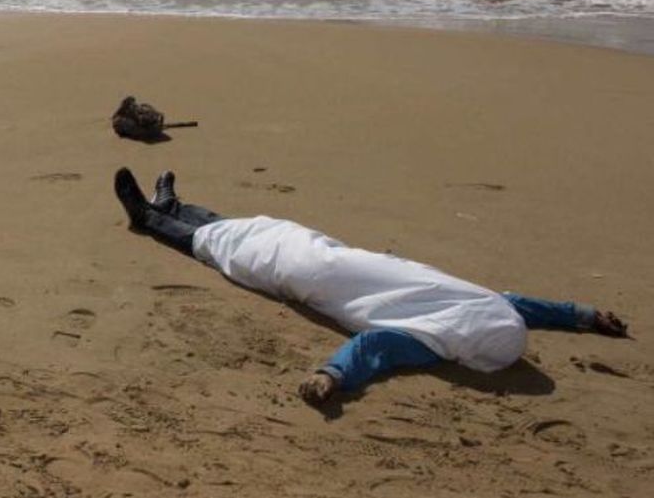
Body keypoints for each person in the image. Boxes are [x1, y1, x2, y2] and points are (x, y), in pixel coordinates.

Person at [112, 167, 629, 405]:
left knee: (237, 249)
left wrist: (332, 376)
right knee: (257, 231)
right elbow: (522, 307)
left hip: (315, 276)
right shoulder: (474, 314)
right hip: (339, 257)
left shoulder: (435, 333)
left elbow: (374, 347)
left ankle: (150, 217)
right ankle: (173, 206)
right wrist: (582, 315)